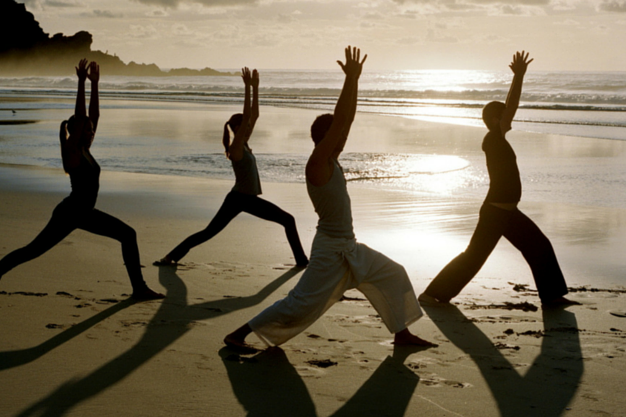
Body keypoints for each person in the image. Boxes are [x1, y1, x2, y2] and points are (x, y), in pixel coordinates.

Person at [224, 47, 434, 351]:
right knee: (299, 303)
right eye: (337, 135)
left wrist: (356, 80)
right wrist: (348, 80)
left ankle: (401, 334)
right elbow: (339, 124)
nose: (344, 137)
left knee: (393, 273)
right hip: (329, 252)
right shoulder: (317, 162)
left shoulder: (332, 160)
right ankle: (238, 335)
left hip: (349, 246)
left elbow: (346, 119)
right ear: (324, 139)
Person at [0, 59, 163, 301]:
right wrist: (80, 83)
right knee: (31, 251)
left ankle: (138, 288)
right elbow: (81, 116)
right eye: (87, 129)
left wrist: (95, 84)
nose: (92, 132)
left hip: (79, 211)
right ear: (77, 131)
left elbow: (93, 114)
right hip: (72, 212)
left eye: (92, 130)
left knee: (125, 235)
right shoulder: (73, 150)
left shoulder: (85, 149)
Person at [419, 51, 578, 307]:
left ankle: (552, 296)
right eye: (505, 116)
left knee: (539, 246)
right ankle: (432, 294)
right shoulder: (493, 138)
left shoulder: (498, 138)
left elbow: (508, 108)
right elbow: (512, 104)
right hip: (495, 212)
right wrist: (518, 77)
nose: (510, 117)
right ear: (496, 120)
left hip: (508, 213)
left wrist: (517, 77)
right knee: (474, 257)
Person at [155, 67, 308, 267]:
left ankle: (301, 261)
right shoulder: (236, 147)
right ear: (238, 128)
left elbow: (255, 114)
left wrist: (255, 88)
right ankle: (302, 262)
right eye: (245, 125)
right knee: (209, 232)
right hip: (239, 199)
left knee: (286, 221)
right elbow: (247, 115)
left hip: (245, 199)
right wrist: (246, 88)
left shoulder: (243, 143)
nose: (250, 126)